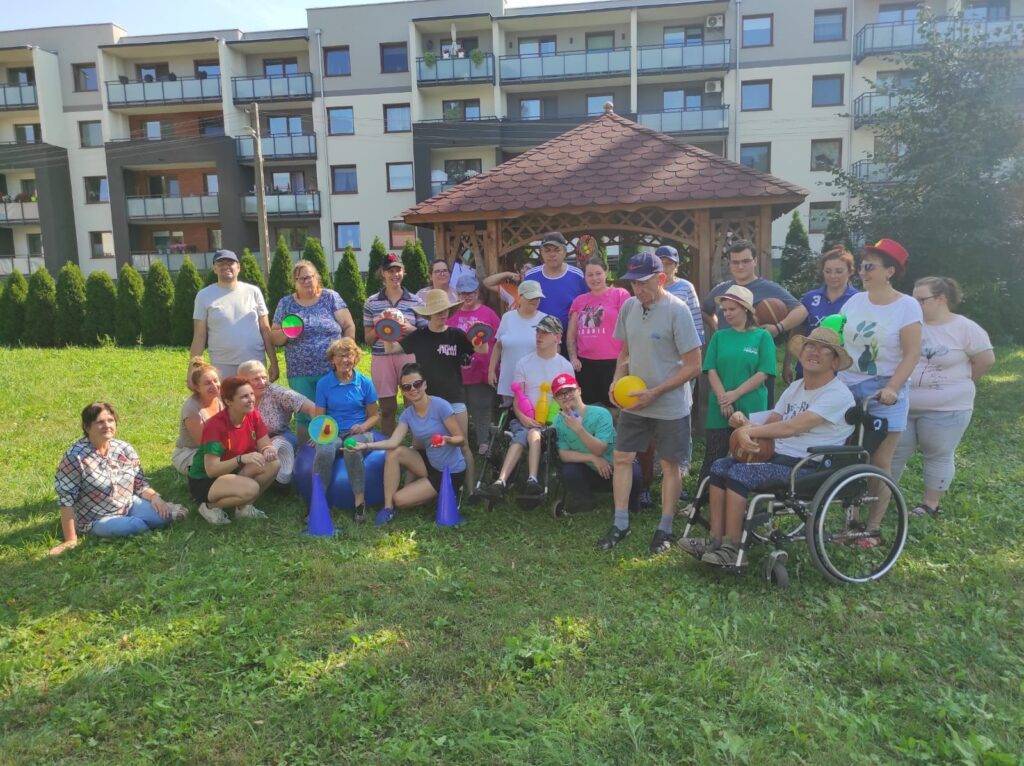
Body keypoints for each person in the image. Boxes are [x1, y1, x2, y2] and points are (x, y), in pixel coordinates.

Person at [678, 327, 855, 565]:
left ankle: (733, 549)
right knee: (720, 467)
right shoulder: (796, 387)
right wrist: (743, 422)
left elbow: (792, 428)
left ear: (835, 361)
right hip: (778, 455)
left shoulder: (838, 394)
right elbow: (773, 422)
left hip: (809, 466)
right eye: (810, 346)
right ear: (802, 353)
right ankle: (715, 540)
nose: (815, 352)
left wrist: (748, 431)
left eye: (825, 349)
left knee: (739, 473)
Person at [598, 253, 702, 555]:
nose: (637, 290)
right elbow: (625, 352)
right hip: (634, 400)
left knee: (670, 464)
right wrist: (617, 380)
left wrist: (657, 391)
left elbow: (694, 365)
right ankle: (620, 522)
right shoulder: (629, 307)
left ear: (660, 279)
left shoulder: (677, 310)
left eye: (643, 283)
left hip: (670, 405)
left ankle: (665, 528)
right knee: (621, 457)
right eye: (633, 283)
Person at [839, 238, 923, 546]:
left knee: (878, 461)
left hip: (886, 388)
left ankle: (872, 528)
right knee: (847, 457)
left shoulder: (907, 306)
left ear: (890, 271)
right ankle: (851, 522)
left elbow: (912, 353)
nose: (863, 271)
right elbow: (839, 339)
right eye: (862, 266)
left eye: (870, 266)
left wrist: (892, 388)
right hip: (848, 385)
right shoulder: (854, 301)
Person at [890, 277, 994, 517]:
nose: (916, 304)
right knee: (895, 452)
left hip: (947, 410)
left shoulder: (964, 327)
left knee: (937, 453)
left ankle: (930, 505)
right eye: (913, 299)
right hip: (903, 404)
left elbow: (985, 359)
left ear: (941, 299)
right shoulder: (911, 325)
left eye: (922, 300)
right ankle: (883, 497)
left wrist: (961, 383)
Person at [51, 402, 186, 555]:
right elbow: (66, 500)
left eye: (110, 420)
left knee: (164, 518)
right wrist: (71, 540)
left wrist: (155, 498)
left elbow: (139, 483)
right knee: (137, 526)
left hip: (128, 504)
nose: (107, 425)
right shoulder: (75, 457)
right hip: (96, 518)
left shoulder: (124, 449)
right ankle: (134, 522)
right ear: (87, 427)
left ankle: (152, 513)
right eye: (100, 422)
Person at [354, 363, 467, 525]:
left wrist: (446, 439)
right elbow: (393, 442)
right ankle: (387, 508)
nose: (413, 389)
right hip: (430, 462)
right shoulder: (407, 414)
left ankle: (442, 493)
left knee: (400, 499)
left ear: (425, 384)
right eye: (407, 387)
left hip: (450, 471)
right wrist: (365, 446)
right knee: (394, 452)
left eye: (417, 384)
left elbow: (460, 439)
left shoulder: (441, 406)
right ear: (403, 391)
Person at [482, 315, 574, 499]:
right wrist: (523, 418)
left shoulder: (565, 366)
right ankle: (504, 481)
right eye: (538, 331)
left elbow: (569, 402)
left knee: (528, 433)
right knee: (524, 432)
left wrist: (552, 420)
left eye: (545, 333)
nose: (539, 336)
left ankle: (515, 480)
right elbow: (518, 399)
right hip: (525, 418)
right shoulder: (524, 363)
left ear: (557, 337)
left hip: (554, 421)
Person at [697, 285, 776, 484]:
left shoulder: (762, 337)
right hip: (721, 405)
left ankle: (747, 501)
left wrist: (735, 394)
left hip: (751, 404)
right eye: (724, 310)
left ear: (746, 310)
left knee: (750, 455)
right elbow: (710, 369)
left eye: (732, 309)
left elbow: (764, 372)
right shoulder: (719, 336)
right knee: (714, 455)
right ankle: (702, 500)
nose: (727, 314)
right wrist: (724, 399)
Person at [401, 289, 479, 487]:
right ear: (429, 313)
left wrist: (480, 342)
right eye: (437, 311)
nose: (442, 314)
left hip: (454, 397)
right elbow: (393, 348)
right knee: (419, 446)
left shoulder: (457, 335)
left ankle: (470, 492)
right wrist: (387, 330)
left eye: (445, 310)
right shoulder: (418, 336)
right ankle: (411, 486)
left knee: (463, 446)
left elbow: (475, 352)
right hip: (426, 401)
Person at [270, 259, 355, 438]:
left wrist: (348, 353)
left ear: (317, 277)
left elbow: (348, 325)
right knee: (304, 416)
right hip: (300, 371)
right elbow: (275, 338)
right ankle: (306, 458)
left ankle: (335, 452)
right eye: (301, 279)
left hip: (332, 369)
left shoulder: (330, 297)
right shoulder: (286, 303)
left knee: (334, 411)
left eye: (310, 277)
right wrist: (288, 332)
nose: (307, 281)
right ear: (294, 282)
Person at [187, 377, 281, 525]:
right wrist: (241, 459)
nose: (251, 399)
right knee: (252, 489)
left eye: (251, 394)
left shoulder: (252, 414)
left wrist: (268, 449)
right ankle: (209, 507)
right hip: (205, 479)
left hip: (233, 470)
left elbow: (265, 444)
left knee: (273, 463)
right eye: (244, 396)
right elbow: (211, 470)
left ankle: (243, 508)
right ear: (229, 401)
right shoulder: (216, 427)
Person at [551, 373, 641, 514]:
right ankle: (584, 502)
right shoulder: (557, 422)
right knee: (569, 471)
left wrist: (579, 429)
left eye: (569, 391)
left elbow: (600, 449)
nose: (566, 396)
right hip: (591, 468)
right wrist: (592, 458)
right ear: (555, 400)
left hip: (616, 467)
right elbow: (563, 454)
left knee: (634, 472)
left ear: (579, 390)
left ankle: (630, 505)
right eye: (560, 394)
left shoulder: (600, 413)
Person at [313, 338, 381, 521]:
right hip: (332, 432)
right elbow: (320, 417)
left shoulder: (365, 383)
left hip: (360, 432)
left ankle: (359, 503)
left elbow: (375, 415)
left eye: (349, 355)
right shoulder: (323, 384)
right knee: (325, 449)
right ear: (332, 360)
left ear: (356, 358)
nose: (345, 360)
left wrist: (363, 426)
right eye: (340, 356)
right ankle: (318, 501)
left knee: (351, 447)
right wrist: (318, 434)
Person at [190, 249, 278, 382]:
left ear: (238, 267)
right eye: (220, 263)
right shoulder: (204, 295)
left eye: (230, 263)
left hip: (254, 362)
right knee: (226, 401)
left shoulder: (253, 292)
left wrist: (274, 362)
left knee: (256, 401)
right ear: (214, 268)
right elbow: (199, 336)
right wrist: (193, 370)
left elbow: (265, 330)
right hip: (221, 364)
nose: (225, 266)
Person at [363, 253, 425, 435]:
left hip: (408, 356)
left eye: (398, 269)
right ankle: (388, 450)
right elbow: (367, 339)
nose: (394, 274)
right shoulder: (372, 302)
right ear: (383, 273)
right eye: (390, 270)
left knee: (413, 404)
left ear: (403, 272)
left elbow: (424, 334)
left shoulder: (416, 300)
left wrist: (406, 328)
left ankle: (416, 446)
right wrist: (381, 327)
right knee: (388, 408)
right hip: (381, 359)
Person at [783, 247, 859, 381]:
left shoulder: (858, 300)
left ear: (850, 271)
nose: (833, 276)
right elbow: (797, 331)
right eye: (828, 271)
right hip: (809, 366)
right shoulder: (810, 298)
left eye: (839, 271)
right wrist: (787, 363)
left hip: (841, 371)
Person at [237, 359, 317, 485]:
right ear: (243, 381)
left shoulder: (277, 392)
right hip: (250, 443)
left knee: (277, 444)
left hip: (280, 437)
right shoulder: (236, 396)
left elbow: (313, 408)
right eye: (256, 379)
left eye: (264, 377)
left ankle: (280, 478)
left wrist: (318, 433)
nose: (262, 382)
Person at [566, 256, 631, 406]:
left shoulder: (620, 295)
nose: (594, 278)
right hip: (585, 364)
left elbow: (630, 329)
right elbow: (571, 334)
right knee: (589, 409)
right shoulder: (579, 301)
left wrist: (627, 360)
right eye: (590, 274)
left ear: (606, 273)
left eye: (598, 273)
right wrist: (573, 357)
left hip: (614, 363)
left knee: (615, 406)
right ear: (585, 277)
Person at [447, 272, 500, 454]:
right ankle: (461, 443)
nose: (467, 296)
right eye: (462, 293)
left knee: (482, 407)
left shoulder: (489, 314)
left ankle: (484, 442)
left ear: (477, 292)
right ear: (457, 294)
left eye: (470, 292)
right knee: (458, 410)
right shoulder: (452, 316)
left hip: (482, 371)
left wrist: (495, 366)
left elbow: (499, 341)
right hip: (458, 373)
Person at [701, 240, 800, 336]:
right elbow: (704, 311)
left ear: (755, 261)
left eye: (746, 261)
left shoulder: (769, 288)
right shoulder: (720, 290)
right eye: (735, 262)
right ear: (729, 264)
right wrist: (715, 326)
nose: (740, 266)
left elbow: (800, 310)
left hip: (756, 350)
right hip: (723, 350)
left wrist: (779, 328)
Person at [488, 279, 548, 402]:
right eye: (531, 297)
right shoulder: (507, 317)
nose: (535, 301)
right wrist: (491, 371)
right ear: (520, 298)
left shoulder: (545, 320)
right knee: (509, 418)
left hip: (535, 384)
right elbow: (498, 346)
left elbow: (553, 351)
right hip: (509, 381)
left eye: (538, 297)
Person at [523, 232, 587, 337]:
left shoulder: (578, 276)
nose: (552, 254)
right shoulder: (531, 276)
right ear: (541, 252)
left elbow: (586, 306)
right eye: (547, 250)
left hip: (569, 336)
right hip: (538, 336)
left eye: (557, 250)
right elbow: (523, 305)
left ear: (565, 252)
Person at [171, 357, 223, 477]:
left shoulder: (220, 399)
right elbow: (204, 445)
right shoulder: (192, 410)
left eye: (216, 380)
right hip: (193, 452)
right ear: (197, 388)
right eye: (207, 383)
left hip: (218, 446)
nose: (214, 385)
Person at [656, 245, 704, 344]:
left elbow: (695, 317)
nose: (664, 268)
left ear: (676, 266)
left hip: (682, 341)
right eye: (661, 264)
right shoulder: (650, 287)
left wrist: (698, 342)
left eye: (669, 264)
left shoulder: (686, 287)